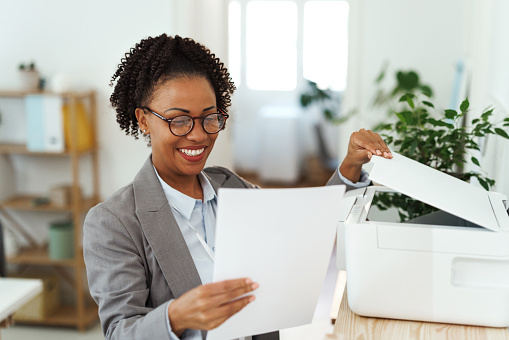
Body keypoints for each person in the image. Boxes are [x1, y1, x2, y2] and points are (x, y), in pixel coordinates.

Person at [83, 34, 392, 340]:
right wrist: (174, 317)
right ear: (143, 120)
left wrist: (351, 164)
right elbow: (119, 332)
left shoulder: (230, 185)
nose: (198, 136)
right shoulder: (114, 222)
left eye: (210, 118)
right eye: (179, 121)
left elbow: (306, 227)